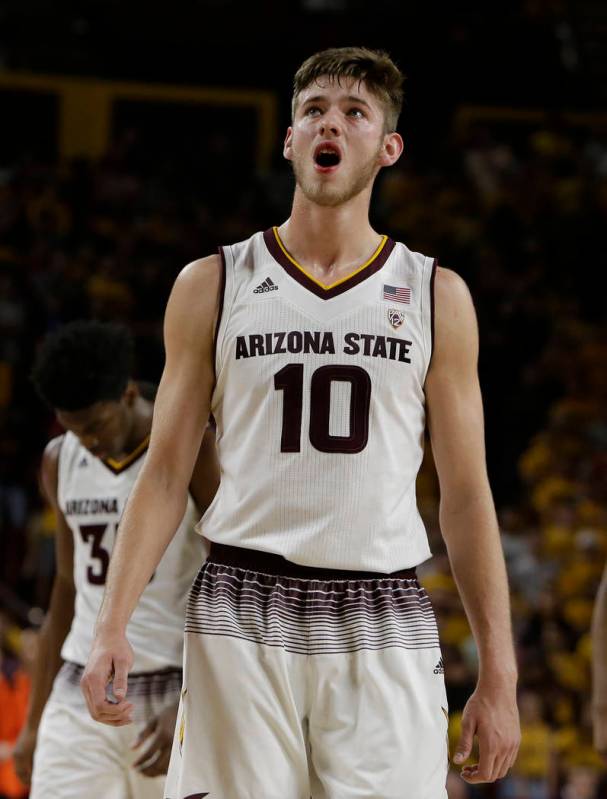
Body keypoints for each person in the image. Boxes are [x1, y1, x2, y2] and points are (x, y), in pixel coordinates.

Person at [81, 47, 521, 798]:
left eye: (354, 114)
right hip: (238, 604)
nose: (331, 124)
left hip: (381, 611)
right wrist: (110, 623)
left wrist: (500, 675)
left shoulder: (434, 295)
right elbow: (164, 471)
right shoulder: (213, 282)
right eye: (314, 109)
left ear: (388, 149)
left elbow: (467, 494)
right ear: (289, 138)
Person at [14, 321, 218, 799]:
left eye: (95, 426)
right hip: (81, 687)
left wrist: (196, 699)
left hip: (173, 684)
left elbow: (227, 576)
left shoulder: (194, 448)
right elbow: (66, 588)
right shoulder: (59, 460)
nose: (88, 442)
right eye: (73, 429)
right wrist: (33, 722)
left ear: (127, 394)